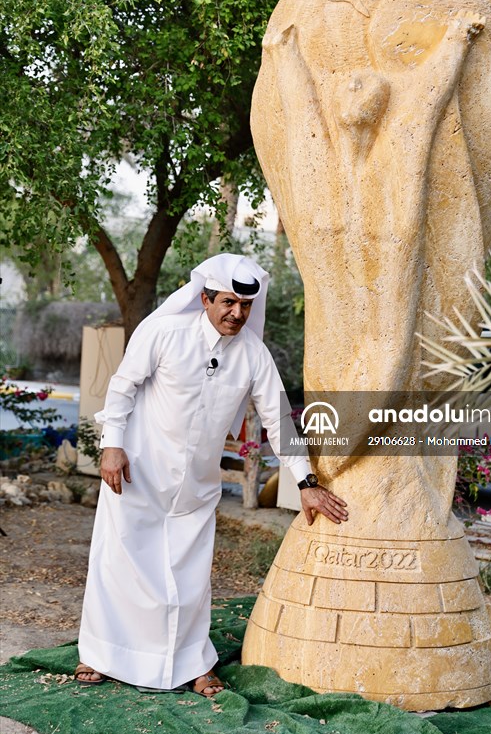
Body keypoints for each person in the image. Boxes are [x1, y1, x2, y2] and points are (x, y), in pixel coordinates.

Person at [75, 253, 347, 697]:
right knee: (118, 565)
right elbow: (122, 386)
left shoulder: (254, 355)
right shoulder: (163, 332)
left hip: (197, 487)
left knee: (190, 578)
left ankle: (191, 663)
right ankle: (102, 653)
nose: (236, 313)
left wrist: (306, 483)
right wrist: (111, 447)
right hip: (137, 472)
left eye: (245, 306)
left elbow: (279, 419)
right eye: (227, 302)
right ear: (204, 299)